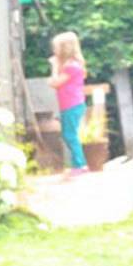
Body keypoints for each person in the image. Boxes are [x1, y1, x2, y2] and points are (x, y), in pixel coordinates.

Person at [50, 30, 90, 175]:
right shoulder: (71, 65)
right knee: (69, 134)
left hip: (72, 104)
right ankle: (79, 164)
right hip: (71, 104)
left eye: (56, 48)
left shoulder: (71, 67)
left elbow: (55, 83)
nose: (54, 51)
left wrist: (54, 67)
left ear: (64, 49)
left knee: (69, 135)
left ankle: (80, 164)